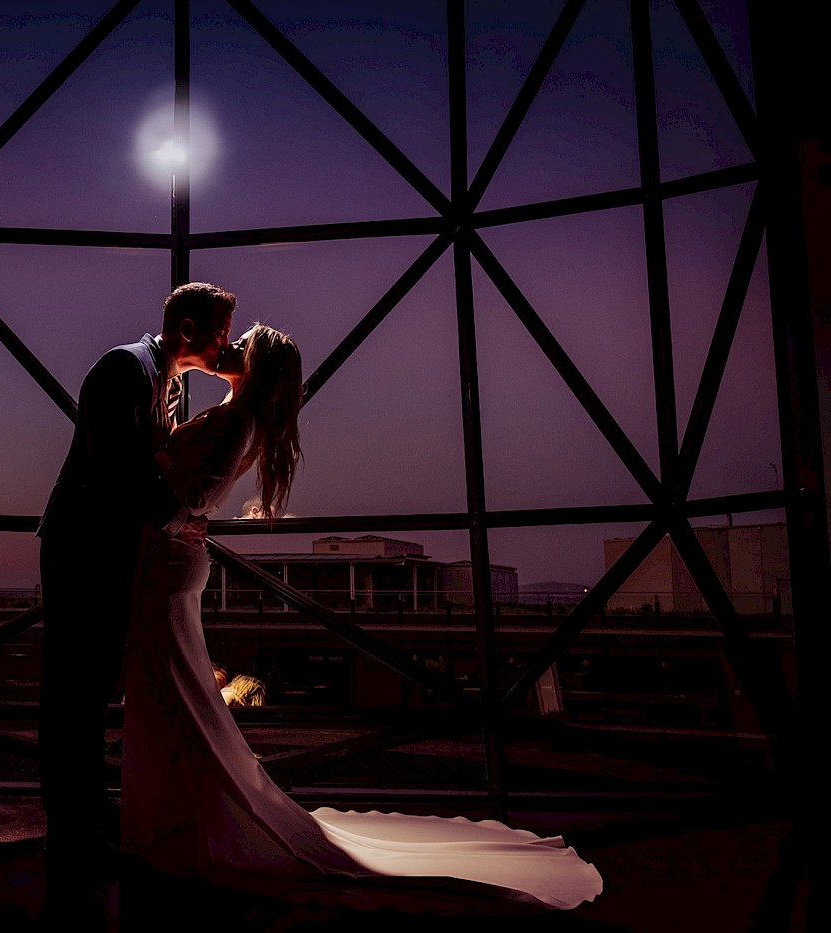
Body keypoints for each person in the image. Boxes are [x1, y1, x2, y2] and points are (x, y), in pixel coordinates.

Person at [119, 323, 604, 911]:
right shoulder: (238, 416)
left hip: (166, 564)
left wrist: (166, 499)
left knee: (175, 698)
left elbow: (192, 497)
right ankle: (178, 820)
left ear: (259, 369)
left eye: (243, 346)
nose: (231, 349)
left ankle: (182, 827)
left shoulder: (238, 420)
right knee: (176, 698)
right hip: (169, 562)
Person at [36, 282, 236, 875]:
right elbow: (114, 465)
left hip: (105, 548)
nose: (226, 344)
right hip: (82, 548)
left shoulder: (160, 381)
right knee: (75, 688)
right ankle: (71, 828)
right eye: (222, 332)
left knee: (91, 687)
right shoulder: (121, 369)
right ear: (191, 329)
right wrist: (177, 521)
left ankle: (84, 820)